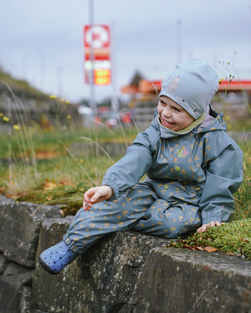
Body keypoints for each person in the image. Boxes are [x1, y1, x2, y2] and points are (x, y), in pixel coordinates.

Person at [39, 59, 243, 275]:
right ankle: (70, 246)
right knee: (110, 204)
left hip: (190, 201)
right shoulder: (157, 130)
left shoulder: (217, 142)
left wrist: (213, 217)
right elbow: (137, 156)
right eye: (163, 103)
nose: (165, 113)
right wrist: (111, 186)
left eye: (176, 109)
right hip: (154, 190)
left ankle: (128, 218)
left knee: (171, 224)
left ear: (197, 111)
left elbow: (222, 182)